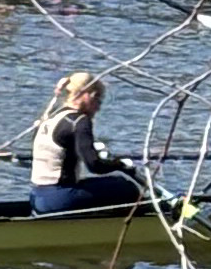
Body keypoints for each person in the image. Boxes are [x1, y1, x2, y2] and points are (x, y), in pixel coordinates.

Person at [30, 73, 143, 214]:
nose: (98, 108)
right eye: (99, 101)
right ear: (88, 95)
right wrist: (119, 164)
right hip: (59, 199)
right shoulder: (79, 121)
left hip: (36, 197)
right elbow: (94, 166)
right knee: (126, 187)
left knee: (101, 186)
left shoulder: (51, 118)